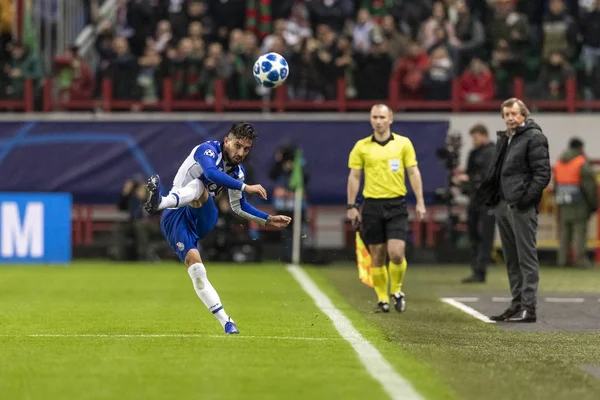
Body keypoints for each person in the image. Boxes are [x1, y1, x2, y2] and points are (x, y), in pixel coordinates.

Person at [144, 122, 292, 334]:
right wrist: (245, 187)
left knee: (200, 187)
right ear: (226, 141)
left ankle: (159, 202)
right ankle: (227, 322)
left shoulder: (237, 172)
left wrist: (267, 219)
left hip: (203, 214)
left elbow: (238, 206)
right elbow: (212, 173)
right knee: (197, 269)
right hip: (175, 217)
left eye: (246, 149)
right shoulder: (207, 150)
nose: (241, 153)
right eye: (238, 146)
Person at [346, 104, 426, 313]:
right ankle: (382, 299)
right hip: (372, 205)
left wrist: (420, 201)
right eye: (375, 117)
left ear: (390, 118)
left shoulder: (403, 144)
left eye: (382, 117)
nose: (379, 121)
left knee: (396, 252)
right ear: (370, 119)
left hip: (396, 204)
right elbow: (354, 176)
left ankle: (397, 290)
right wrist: (352, 206)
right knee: (377, 255)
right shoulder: (361, 147)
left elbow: (413, 172)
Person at [476, 98, 551, 323]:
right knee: (511, 258)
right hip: (503, 204)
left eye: (514, 114)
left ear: (524, 116)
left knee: (526, 258)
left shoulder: (534, 137)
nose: (510, 118)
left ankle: (529, 307)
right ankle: (517, 304)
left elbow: (542, 174)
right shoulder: (506, 138)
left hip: (519, 206)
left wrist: (525, 200)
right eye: (506, 114)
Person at [455, 124, 496, 283]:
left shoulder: (492, 153)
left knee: (485, 235)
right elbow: (470, 173)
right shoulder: (473, 153)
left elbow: (487, 176)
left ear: (484, 135)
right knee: (474, 235)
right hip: (474, 198)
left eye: (476, 137)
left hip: (488, 199)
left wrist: (470, 179)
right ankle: (475, 268)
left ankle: (481, 270)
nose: (474, 140)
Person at [554, 138, 598, 269]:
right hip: (579, 203)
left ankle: (562, 260)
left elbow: (556, 183)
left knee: (564, 233)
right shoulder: (581, 163)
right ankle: (580, 261)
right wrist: (593, 204)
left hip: (563, 201)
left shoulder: (559, 162)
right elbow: (589, 187)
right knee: (580, 232)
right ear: (580, 148)